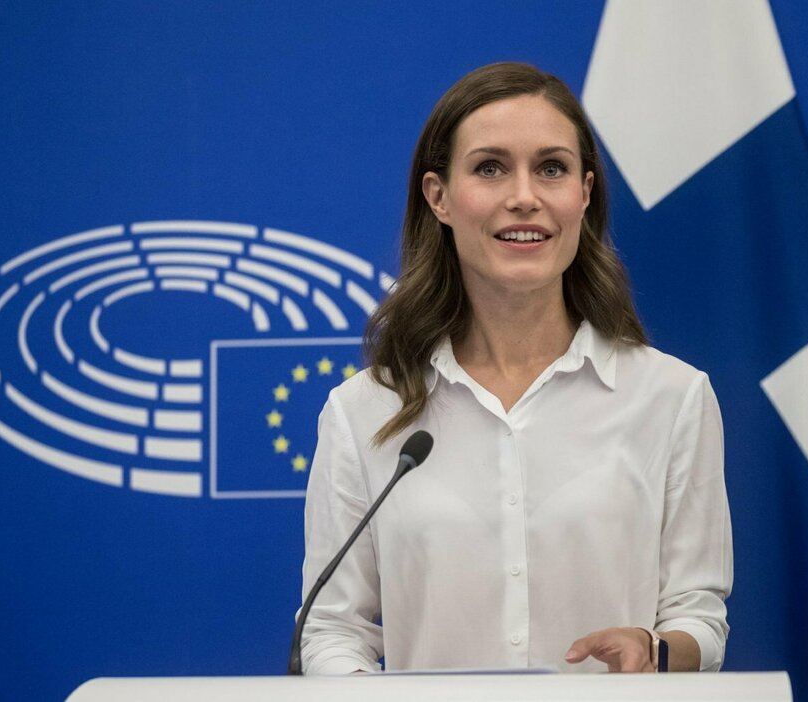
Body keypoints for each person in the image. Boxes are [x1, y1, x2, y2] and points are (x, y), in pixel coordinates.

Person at [298, 62, 731, 675]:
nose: (524, 197)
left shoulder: (672, 396)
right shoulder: (363, 411)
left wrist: (655, 649)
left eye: (551, 169)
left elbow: (698, 614)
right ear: (438, 197)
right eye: (490, 168)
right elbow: (331, 629)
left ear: (584, 193)